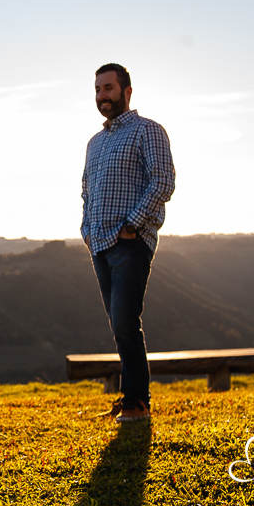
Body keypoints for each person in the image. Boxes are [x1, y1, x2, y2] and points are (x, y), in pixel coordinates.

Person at [81, 63, 175, 422]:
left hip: (130, 243)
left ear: (127, 91)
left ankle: (137, 403)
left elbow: (163, 182)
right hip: (100, 244)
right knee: (119, 325)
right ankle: (130, 397)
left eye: (108, 88)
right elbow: (86, 191)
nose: (101, 95)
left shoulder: (147, 130)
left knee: (125, 320)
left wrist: (132, 226)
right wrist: (86, 229)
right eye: (97, 89)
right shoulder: (94, 143)